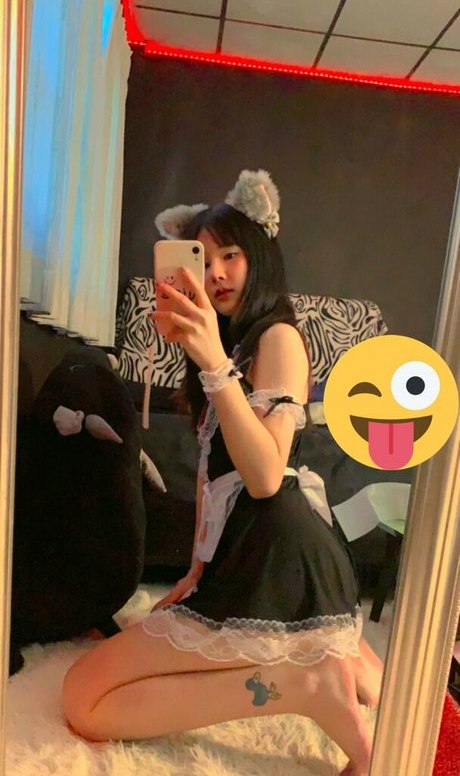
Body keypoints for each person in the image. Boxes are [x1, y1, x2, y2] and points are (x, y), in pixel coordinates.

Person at [63, 169, 383, 776]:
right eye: (202, 261)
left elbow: (264, 476)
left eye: (230, 255)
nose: (215, 274)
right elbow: (217, 478)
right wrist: (196, 572)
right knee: (92, 689)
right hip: (247, 553)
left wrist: (212, 360)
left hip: (275, 553)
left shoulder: (278, 337)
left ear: (261, 256)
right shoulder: (233, 349)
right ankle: (321, 672)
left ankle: (303, 685)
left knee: (84, 700)